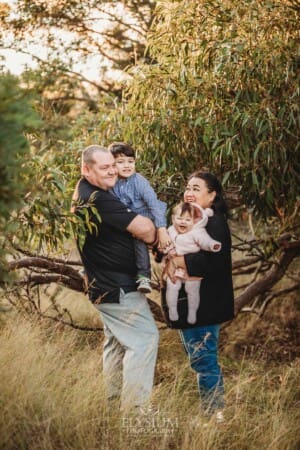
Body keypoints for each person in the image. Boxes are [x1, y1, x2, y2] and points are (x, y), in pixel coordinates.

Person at [72, 144, 159, 412]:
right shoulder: (99, 198)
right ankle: (135, 415)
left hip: (103, 284)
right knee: (145, 339)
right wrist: (155, 232)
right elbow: (144, 229)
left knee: (117, 344)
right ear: (86, 170)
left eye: (113, 166)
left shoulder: (89, 191)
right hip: (117, 287)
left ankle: (111, 408)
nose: (112, 172)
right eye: (104, 168)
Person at [165, 171, 234, 423]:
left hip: (205, 306)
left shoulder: (214, 223)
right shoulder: (189, 221)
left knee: (205, 362)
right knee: (200, 361)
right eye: (187, 187)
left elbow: (211, 263)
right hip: (192, 306)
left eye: (196, 188)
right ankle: (212, 413)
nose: (189, 192)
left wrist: (174, 258)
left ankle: (214, 417)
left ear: (212, 195)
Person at [109, 142, 171, 294]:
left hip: (146, 217)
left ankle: (144, 276)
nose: (127, 165)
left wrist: (161, 229)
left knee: (139, 241)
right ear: (111, 164)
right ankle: (98, 269)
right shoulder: (111, 183)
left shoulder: (139, 182)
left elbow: (154, 205)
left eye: (131, 161)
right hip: (126, 220)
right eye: (121, 162)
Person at [165, 201, 221, 324]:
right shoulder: (170, 230)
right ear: (173, 219)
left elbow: (205, 241)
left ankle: (192, 312)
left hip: (191, 267)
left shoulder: (197, 232)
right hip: (175, 268)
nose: (183, 222)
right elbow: (165, 242)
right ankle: (172, 309)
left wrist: (213, 245)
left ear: (194, 221)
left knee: (193, 290)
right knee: (172, 286)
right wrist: (165, 249)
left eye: (187, 219)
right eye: (179, 218)